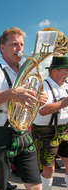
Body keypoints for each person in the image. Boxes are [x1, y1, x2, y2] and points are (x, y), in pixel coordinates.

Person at [0, 27, 48, 190]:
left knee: (36, 186)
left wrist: (38, 99)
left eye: (21, 44)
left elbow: (29, 101)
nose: (20, 48)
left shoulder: (28, 71)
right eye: (14, 44)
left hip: (24, 133)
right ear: (2, 47)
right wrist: (12, 93)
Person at [32, 56, 68, 190]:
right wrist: (65, 102)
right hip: (45, 131)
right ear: (54, 71)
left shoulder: (66, 86)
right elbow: (42, 110)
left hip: (63, 130)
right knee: (50, 168)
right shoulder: (41, 87)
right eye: (65, 71)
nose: (67, 74)